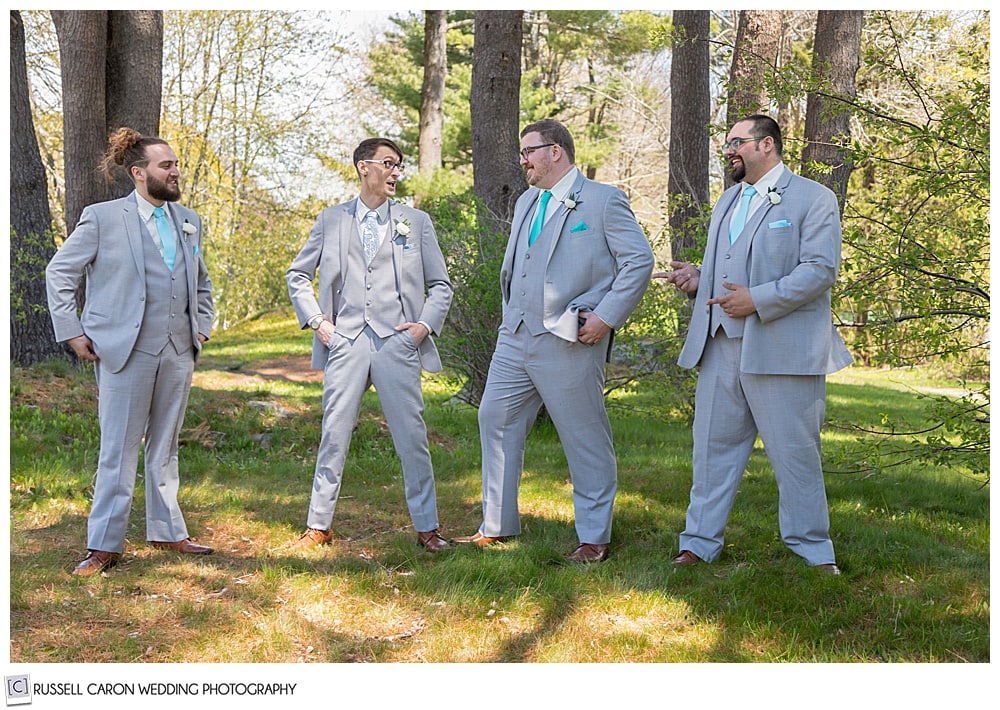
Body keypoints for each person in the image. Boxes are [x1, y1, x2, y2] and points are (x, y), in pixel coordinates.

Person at [655, 114, 853, 574]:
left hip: (782, 348)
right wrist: (698, 280)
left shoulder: (813, 198)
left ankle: (812, 549)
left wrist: (757, 300)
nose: (729, 151)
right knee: (711, 450)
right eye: (727, 144)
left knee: (795, 453)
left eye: (737, 142)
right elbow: (734, 266)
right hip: (720, 345)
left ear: (767, 145)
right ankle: (699, 542)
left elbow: (820, 270)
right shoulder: (728, 200)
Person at [453, 118, 654, 563]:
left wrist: (605, 316)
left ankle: (594, 537)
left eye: (528, 152)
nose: (522, 161)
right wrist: (510, 319)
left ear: (555, 152)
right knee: (495, 419)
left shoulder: (603, 201)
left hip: (570, 339)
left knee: (584, 437)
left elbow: (638, 262)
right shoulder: (528, 201)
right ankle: (497, 524)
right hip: (515, 337)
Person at [46, 127, 215, 576]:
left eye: (176, 163)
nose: (176, 171)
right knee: (118, 449)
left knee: (166, 445)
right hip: (124, 350)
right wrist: (72, 330)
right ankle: (103, 544)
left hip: (179, 349)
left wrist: (202, 327)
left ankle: (167, 529)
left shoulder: (189, 220)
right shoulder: (102, 217)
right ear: (139, 173)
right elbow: (60, 273)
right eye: (167, 165)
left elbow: (201, 282)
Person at [286, 137, 454, 553]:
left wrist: (422, 328)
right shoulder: (331, 220)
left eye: (399, 165)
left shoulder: (415, 222)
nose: (396, 172)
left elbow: (441, 286)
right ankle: (318, 525)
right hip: (346, 341)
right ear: (364, 167)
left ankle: (428, 527)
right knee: (334, 434)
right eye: (389, 164)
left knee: (412, 436)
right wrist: (320, 323)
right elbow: (297, 275)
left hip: (397, 342)